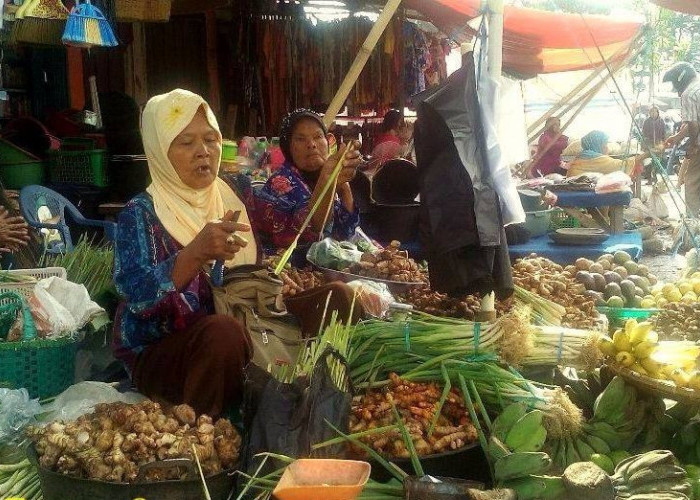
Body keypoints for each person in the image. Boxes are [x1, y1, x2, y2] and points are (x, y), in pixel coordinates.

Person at [112, 89, 258, 418]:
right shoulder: (140, 213)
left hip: (240, 326)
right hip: (163, 350)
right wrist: (195, 253)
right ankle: (204, 441)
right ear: (160, 152)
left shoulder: (231, 195)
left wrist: (330, 182)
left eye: (210, 139)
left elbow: (299, 234)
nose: (203, 152)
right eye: (186, 142)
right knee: (223, 334)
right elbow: (137, 298)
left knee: (335, 296)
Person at [254, 109, 362, 256]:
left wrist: (344, 188)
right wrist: (328, 181)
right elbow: (312, 231)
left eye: (318, 136)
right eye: (300, 139)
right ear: (288, 148)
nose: (311, 144)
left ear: (328, 141)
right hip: (287, 271)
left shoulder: (327, 174)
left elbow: (347, 232)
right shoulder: (281, 183)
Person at [664, 62, 700, 216]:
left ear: (681, 79)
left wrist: (692, 146)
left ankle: (692, 224)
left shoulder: (688, 93)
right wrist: (678, 137)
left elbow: (693, 123)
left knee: (691, 182)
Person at [567, 130, 638, 177]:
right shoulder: (596, 159)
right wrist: (644, 156)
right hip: (582, 193)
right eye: (605, 144)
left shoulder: (582, 156)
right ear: (597, 144)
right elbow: (621, 165)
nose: (607, 147)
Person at [365, 109, 405, 177]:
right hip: (386, 175)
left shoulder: (380, 137)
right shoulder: (393, 141)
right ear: (397, 122)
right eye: (400, 122)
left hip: (374, 174)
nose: (401, 124)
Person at [641, 106, 667, 183]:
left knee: (657, 162)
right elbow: (644, 134)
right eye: (651, 112)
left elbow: (664, 133)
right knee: (648, 162)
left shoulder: (661, 121)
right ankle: (649, 179)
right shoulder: (646, 122)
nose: (653, 113)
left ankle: (655, 177)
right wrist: (644, 144)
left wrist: (664, 144)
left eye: (654, 112)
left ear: (657, 112)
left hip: (658, 144)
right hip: (649, 144)